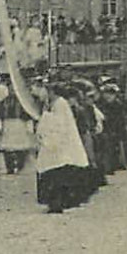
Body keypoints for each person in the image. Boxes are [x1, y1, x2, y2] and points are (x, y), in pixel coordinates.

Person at [35, 81, 91, 213]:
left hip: (60, 144)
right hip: (53, 143)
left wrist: (45, 120)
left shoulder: (60, 104)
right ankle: (54, 202)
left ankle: (58, 203)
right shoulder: (52, 104)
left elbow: (58, 124)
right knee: (53, 172)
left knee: (57, 173)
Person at [0, 75, 36, 175]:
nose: (12, 90)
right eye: (10, 88)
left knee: (21, 148)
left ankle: (20, 166)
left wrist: (29, 127)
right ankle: (9, 167)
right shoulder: (3, 101)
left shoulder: (24, 102)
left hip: (20, 126)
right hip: (8, 126)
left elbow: (28, 114)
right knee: (7, 148)